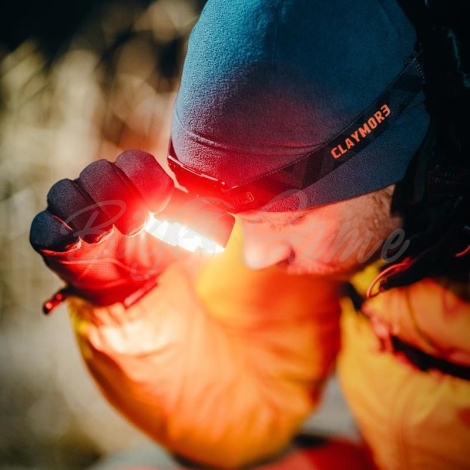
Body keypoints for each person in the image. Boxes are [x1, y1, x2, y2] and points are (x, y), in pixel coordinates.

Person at [30, 0, 470, 469]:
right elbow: (250, 411)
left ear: (402, 159)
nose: (255, 256)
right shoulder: (358, 224)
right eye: (243, 219)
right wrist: (129, 301)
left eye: (285, 220)